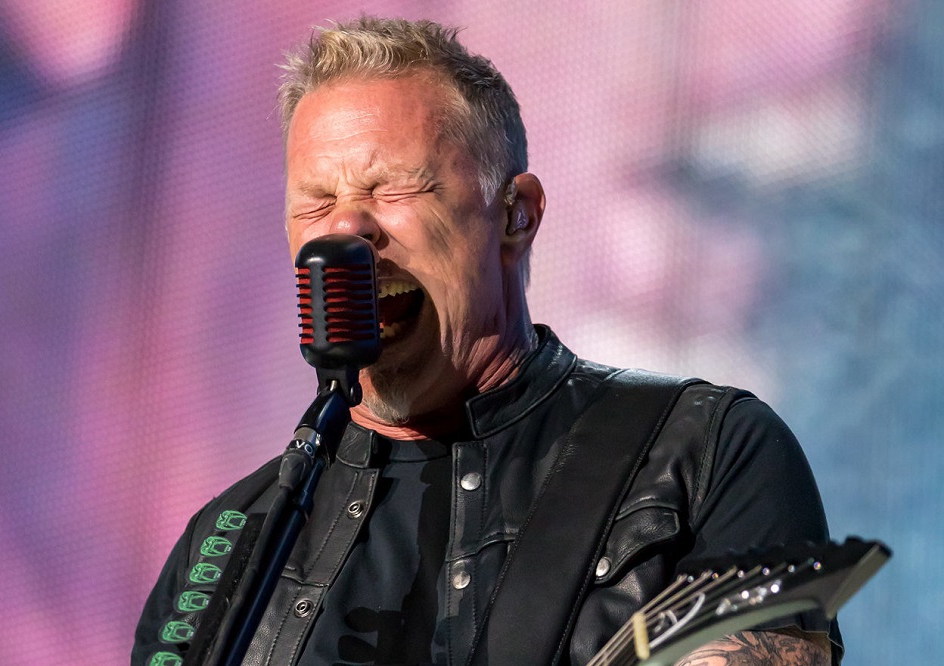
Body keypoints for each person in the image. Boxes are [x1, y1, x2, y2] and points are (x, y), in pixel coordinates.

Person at [133, 17, 838, 666]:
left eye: (393, 189)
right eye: (317, 204)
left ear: (516, 214)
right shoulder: (224, 546)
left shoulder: (705, 454)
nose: (346, 232)